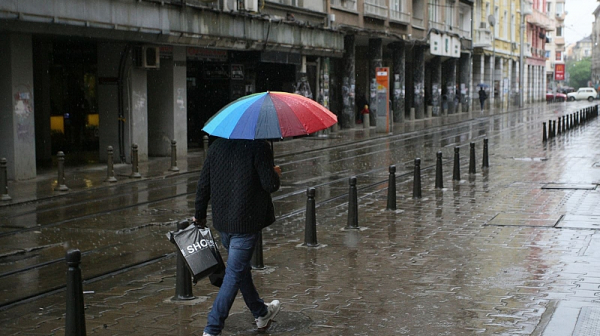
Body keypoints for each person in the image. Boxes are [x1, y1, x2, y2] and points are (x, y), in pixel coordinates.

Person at [194, 138, 282, 336]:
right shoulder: (259, 146)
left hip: (223, 223)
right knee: (233, 276)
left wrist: (199, 215)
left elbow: (203, 185)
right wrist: (275, 174)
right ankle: (212, 329)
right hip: (246, 222)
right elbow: (269, 185)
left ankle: (261, 313)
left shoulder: (216, 147)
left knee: (240, 270)